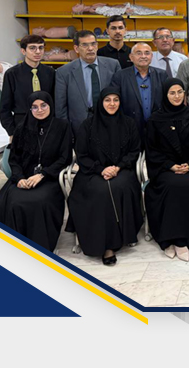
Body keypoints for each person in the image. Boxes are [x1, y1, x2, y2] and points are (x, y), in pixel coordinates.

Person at [0, 91, 71, 251]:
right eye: (34, 107)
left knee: (35, 202)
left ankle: (36, 248)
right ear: (29, 109)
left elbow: (64, 158)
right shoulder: (22, 127)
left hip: (48, 178)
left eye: (43, 105)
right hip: (23, 177)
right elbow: (14, 159)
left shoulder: (62, 126)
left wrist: (42, 174)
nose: (40, 110)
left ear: (50, 105)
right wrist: (19, 179)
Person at [68, 87, 143, 266]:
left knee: (119, 187)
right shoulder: (87, 125)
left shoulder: (129, 123)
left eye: (115, 100)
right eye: (107, 100)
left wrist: (118, 167)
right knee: (99, 192)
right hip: (92, 172)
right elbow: (82, 155)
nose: (112, 104)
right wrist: (101, 169)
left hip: (122, 170)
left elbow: (134, 151)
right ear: (100, 103)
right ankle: (103, 244)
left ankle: (120, 238)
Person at [143, 78, 189, 261]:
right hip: (165, 169)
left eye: (180, 92)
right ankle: (170, 239)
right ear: (165, 95)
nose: (177, 96)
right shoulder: (155, 120)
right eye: (172, 93)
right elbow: (152, 151)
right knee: (172, 187)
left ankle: (184, 239)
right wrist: (170, 165)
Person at [54, 30, 121, 133]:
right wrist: (66, 132)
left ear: (97, 46)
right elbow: (60, 107)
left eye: (93, 44)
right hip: (78, 126)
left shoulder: (113, 65)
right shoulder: (63, 72)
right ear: (76, 48)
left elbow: (120, 96)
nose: (90, 48)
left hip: (109, 122)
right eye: (85, 45)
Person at [0, 34, 56, 137]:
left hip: (47, 124)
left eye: (41, 48)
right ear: (23, 51)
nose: (38, 51)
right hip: (22, 123)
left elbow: (55, 101)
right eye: (32, 48)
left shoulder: (50, 72)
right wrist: (11, 132)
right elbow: (5, 107)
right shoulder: (12, 74)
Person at [110, 42, 165, 137]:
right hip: (129, 128)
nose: (143, 56)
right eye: (139, 53)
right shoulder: (120, 76)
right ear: (131, 57)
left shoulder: (162, 75)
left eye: (147, 53)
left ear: (151, 56)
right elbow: (114, 101)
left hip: (157, 127)